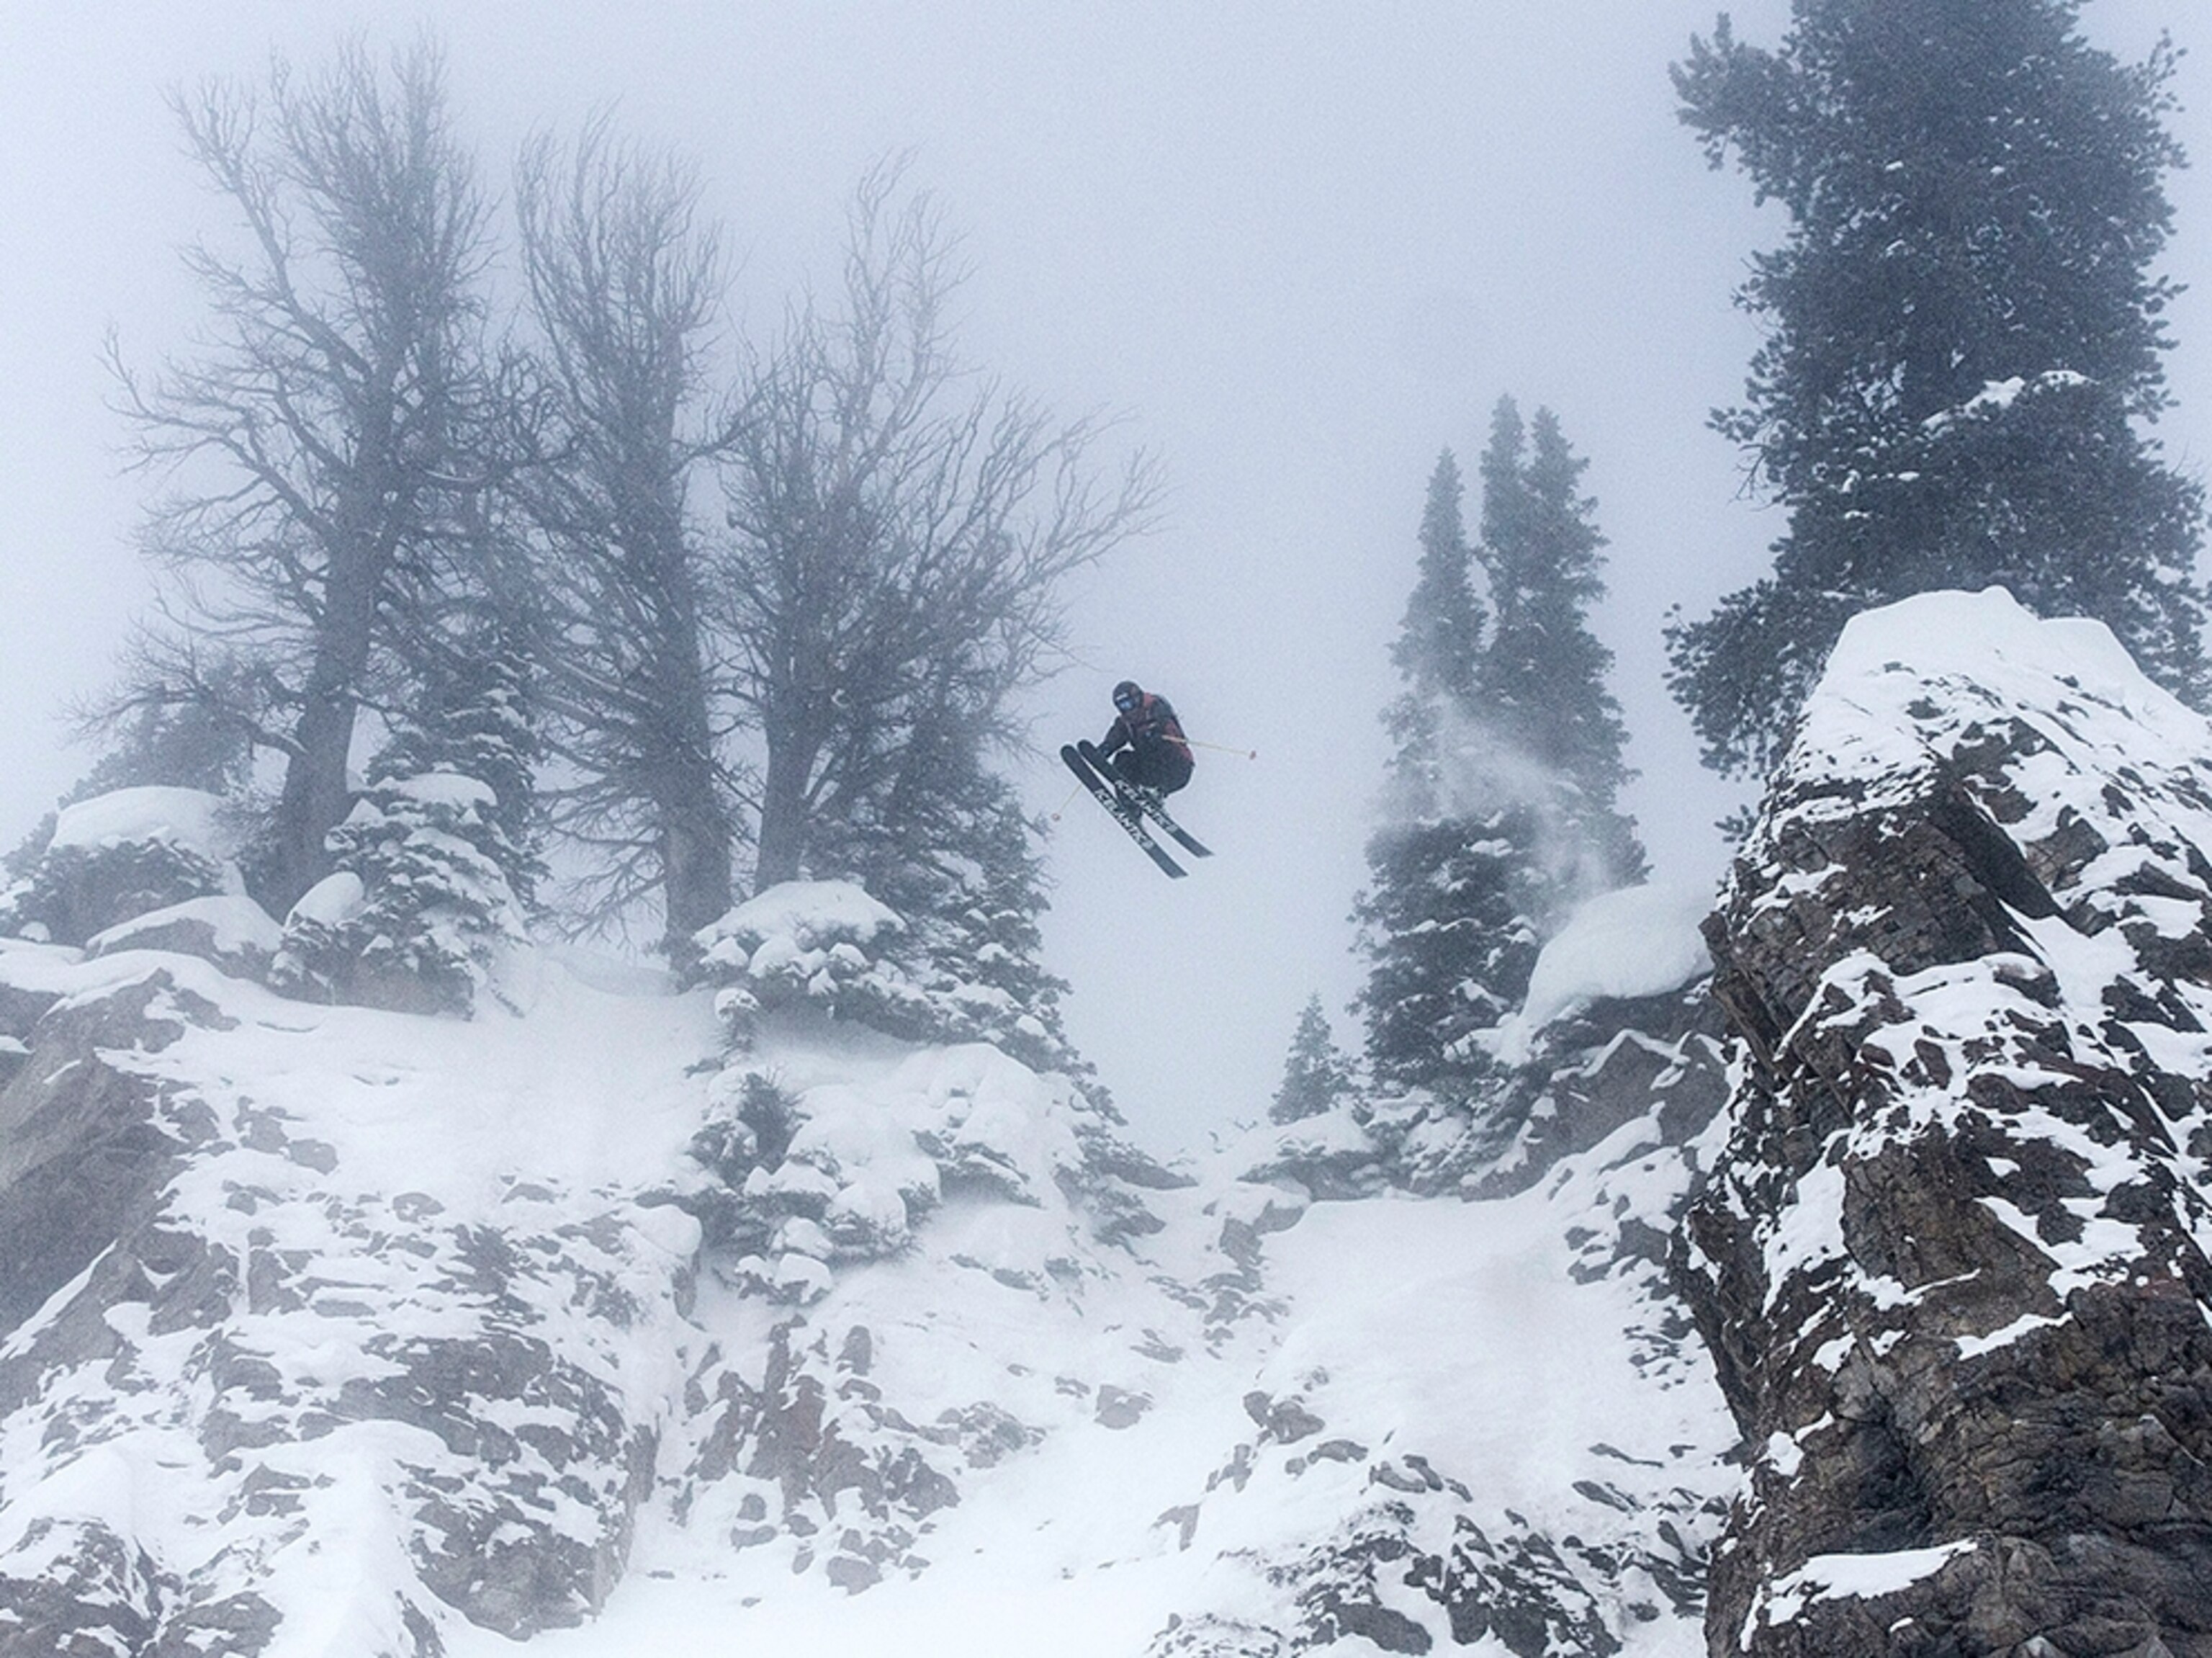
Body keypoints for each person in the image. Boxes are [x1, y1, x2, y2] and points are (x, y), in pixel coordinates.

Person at [1097, 679, 1195, 797]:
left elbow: (1171, 730)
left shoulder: (1156, 707)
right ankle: (1130, 803)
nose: (1128, 710)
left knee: (1154, 746)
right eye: (1123, 707)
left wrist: (1157, 733)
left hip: (1178, 768)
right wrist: (1105, 749)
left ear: (1137, 699)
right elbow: (1116, 736)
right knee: (1123, 759)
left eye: (1129, 704)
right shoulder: (1126, 723)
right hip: (1149, 769)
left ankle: (1156, 792)